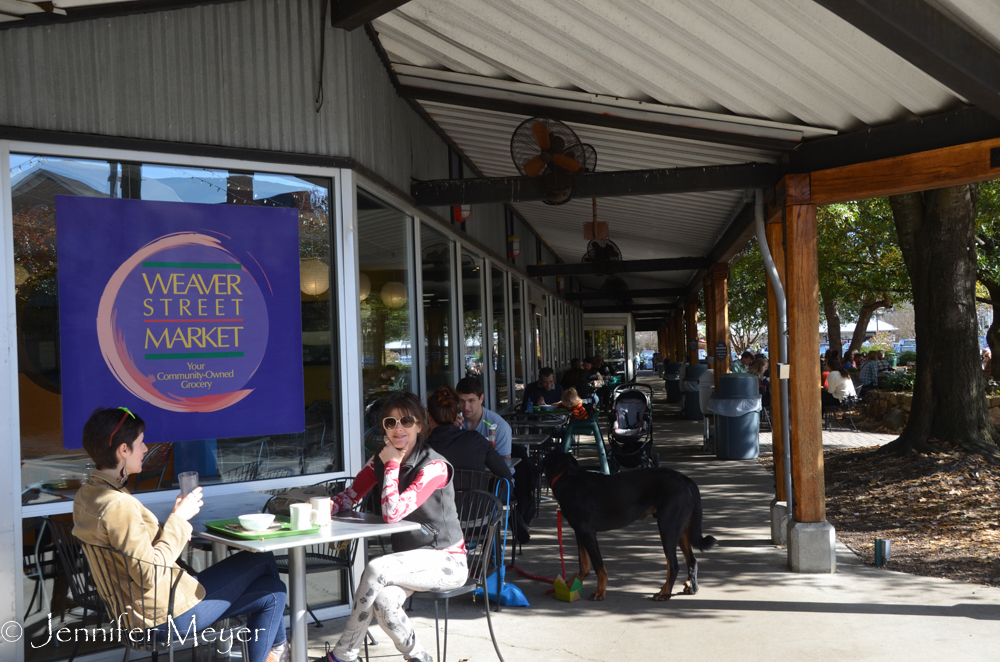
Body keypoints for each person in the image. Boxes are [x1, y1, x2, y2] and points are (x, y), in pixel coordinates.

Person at [72, 408, 289, 662]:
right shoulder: (119, 505)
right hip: (161, 617)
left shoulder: (88, 495)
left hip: (139, 612)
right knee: (261, 559)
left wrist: (175, 521)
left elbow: (136, 552)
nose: (145, 449)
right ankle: (279, 650)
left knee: (274, 591)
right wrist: (179, 519)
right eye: (141, 443)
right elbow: (148, 573)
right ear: (123, 450)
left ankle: (276, 653)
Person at [326, 392, 468, 662]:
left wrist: (392, 463)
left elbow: (393, 513)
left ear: (420, 425)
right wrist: (321, 509)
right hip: (408, 562)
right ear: (384, 428)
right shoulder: (378, 461)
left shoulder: (434, 465)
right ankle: (418, 657)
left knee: (376, 567)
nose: (398, 428)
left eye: (406, 421)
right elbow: (349, 496)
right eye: (390, 423)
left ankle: (343, 655)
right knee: (384, 601)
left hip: (446, 560)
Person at [426, 386, 513, 481]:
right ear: (456, 414)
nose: (466, 406)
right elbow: (505, 475)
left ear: (429, 416)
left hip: (440, 496)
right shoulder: (476, 440)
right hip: (478, 495)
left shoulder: (423, 450)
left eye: (471, 401)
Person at [455, 376, 512, 466]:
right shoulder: (455, 423)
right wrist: (449, 429)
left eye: (471, 401)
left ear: (481, 398)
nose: (466, 407)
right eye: (462, 401)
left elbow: (505, 464)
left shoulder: (499, 426)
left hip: (495, 478)